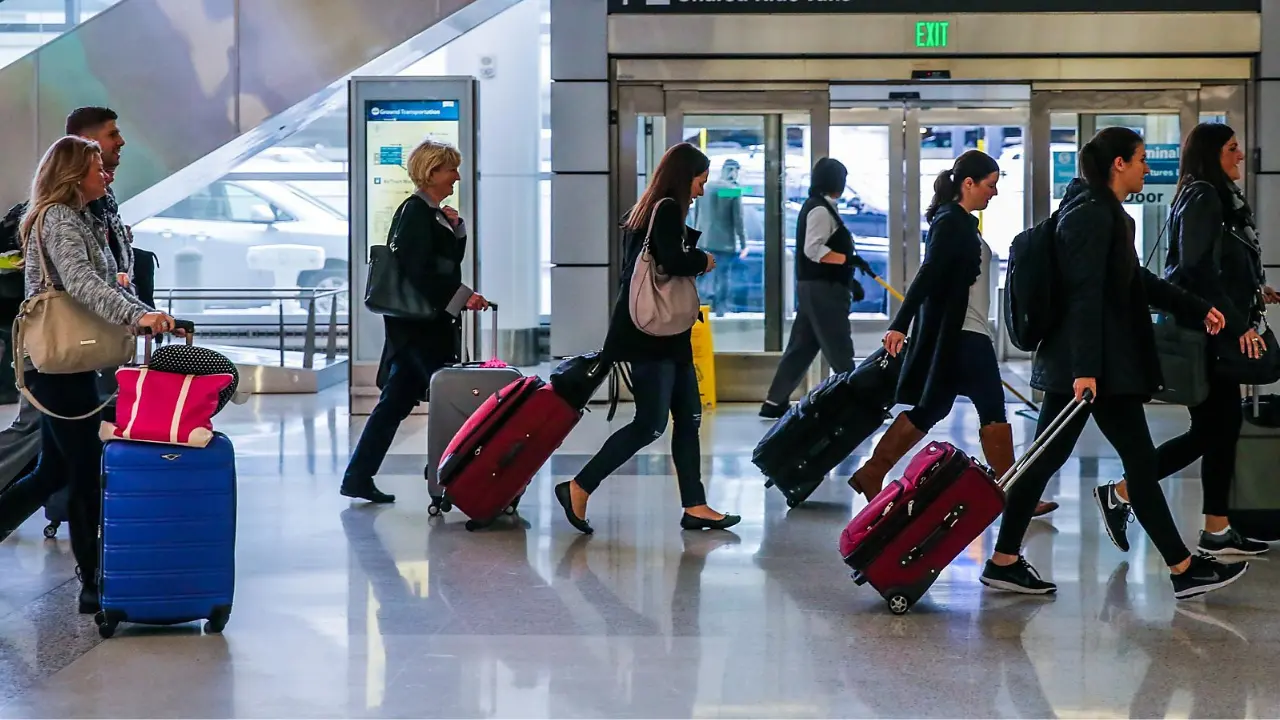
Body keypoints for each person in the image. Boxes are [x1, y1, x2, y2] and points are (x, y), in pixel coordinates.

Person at [981, 127, 1246, 601]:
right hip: (1096, 367)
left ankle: (1003, 561)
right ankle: (1183, 568)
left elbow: (1132, 280)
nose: (1148, 167)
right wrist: (1086, 369)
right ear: (1118, 164)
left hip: (1090, 363)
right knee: (1135, 464)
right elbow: (1085, 296)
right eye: (1142, 159)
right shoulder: (1092, 216)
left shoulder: (1102, 213)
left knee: (1047, 460)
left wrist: (1193, 306)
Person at [0, 136, 174, 614]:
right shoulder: (57, 219)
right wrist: (137, 318)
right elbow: (79, 284)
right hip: (56, 364)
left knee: (52, 470)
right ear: (74, 173)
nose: (108, 174)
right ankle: (92, 581)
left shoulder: (80, 218)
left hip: (67, 361)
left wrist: (147, 312)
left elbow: (105, 282)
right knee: (83, 470)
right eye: (99, 166)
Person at [1096, 123, 1280, 557]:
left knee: (1220, 427)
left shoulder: (1210, 196)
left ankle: (1216, 528)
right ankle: (1123, 493)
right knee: (1215, 428)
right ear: (1212, 154)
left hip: (1214, 326)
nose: (1240, 155)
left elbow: (1215, 265)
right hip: (1210, 333)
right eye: (1232, 148)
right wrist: (1238, 325)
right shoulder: (1204, 196)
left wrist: (1254, 291)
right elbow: (1194, 269)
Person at [843, 150, 1057, 517]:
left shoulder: (960, 222)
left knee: (932, 407)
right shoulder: (952, 222)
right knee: (993, 409)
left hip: (961, 332)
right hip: (965, 333)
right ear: (968, 184)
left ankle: (871, 472)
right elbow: (928, 274)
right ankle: (1014, 493)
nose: (995, 193)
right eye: (990, 185)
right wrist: (899, 322)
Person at [554, 142, 740, 535]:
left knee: (689, 418)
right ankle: (578, 486)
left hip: (667, 335)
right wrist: (702, 260)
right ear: (684, 177)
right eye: (699, 182)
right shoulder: (667, 210)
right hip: (651, 336)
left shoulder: (647, 211)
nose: (701, 191)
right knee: (650, 424)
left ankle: (696, 505)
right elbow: (672, 261)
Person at [341, 140, 487, 504]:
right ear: (433, 171)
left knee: (395, 404)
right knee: (449, 399)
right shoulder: (416, 212)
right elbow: (421, 271)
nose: (456, 176)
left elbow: (446, 261)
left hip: (418, 328)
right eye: (450, 169)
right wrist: (461, 296)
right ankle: (446, 473)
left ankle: (359, 476)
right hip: (420, 328)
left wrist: (457, 229)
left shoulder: (431, 212)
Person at [760, 157, 871, 419]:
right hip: (824, 289)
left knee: (802, 347)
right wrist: (847, 260)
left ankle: (774, 402)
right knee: (839, 346)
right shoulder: (820, 210)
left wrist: (849, 277)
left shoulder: (822, 207)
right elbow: (814, 250)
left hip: (818, 287)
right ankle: (858, 402)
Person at [693, 159, 746, 316]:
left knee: (702, 275)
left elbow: (697, 214)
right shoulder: (732, 190)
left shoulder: (707, 187)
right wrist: (743, 244)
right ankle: (720, 309)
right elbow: (738, 220)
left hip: (704, 241)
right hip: (724, 244)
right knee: (723, 276)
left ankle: (700, 307)